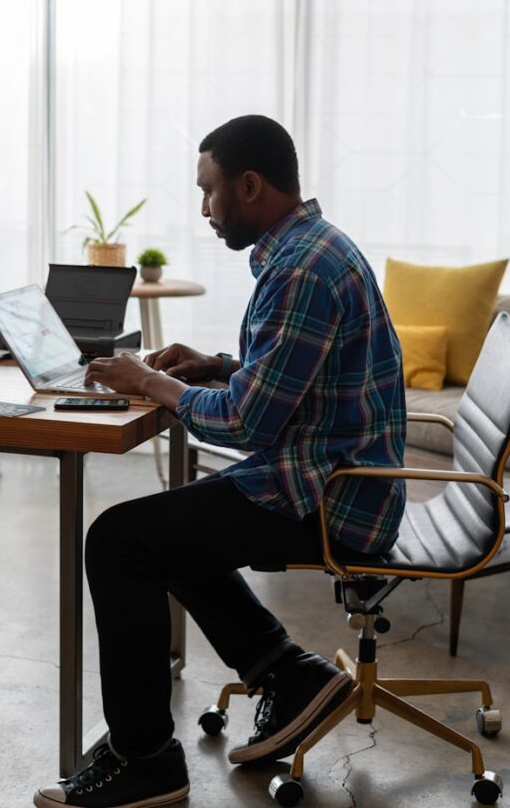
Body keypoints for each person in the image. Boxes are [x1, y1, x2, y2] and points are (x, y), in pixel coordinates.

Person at [33, 115, 406, 808]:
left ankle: (145, 761)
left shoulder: (299, 270)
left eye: (209, 192)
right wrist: (214, 367)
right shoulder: (313, 248)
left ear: (251, 185)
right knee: (170, 529)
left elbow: (248, 423)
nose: (205, 209)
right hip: (336, 477)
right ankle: (285, 672)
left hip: (334, 499)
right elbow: (291, 386)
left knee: (120, 541)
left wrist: (153, 383)